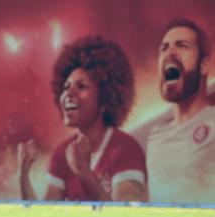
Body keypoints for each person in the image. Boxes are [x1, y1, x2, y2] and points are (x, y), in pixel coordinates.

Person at [18, 36, 147, 201]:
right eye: (66, 87)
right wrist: (23, 174)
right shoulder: (61, 153)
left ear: (104, 98)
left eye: (81, 86)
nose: (68, 94)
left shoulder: (126, 149)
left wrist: (83, 171)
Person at [147, 18, 215, 203]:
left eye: (182, 46)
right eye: (164, 48)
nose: (170, 52)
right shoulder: (155, 137)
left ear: (204, 65)